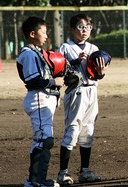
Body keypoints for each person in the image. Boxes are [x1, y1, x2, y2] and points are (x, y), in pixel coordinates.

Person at [57, 13, 107, 185]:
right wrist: (74, 61)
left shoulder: (94, 48)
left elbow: (98, 76)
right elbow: (59, 71)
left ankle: (84, 171)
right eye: (80, 27)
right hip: (76, 92)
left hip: (92, 91)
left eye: (88, 27)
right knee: (72, 131)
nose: (84, 30)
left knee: (88, 131)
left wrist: (101, 72)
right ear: (72, 29)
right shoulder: (65, 47)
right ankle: (63, 173)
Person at [17, 16, 64, 187]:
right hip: (38, 98)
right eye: (43, 32)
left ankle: (38, 180)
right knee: (44, 140)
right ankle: (34, 181)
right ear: (32, 33)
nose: (46, 35)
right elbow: (33, 81)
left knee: (44, 139)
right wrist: (54, 83)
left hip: (44, 98)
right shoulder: (28, 54)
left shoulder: (38, 52)